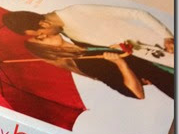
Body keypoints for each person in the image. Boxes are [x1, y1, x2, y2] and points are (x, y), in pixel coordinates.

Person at [2, 4, 174, 70]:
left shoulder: (76, 12)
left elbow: (136, 13)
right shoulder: (68, 34)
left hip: (161, 43)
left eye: (39, 34)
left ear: (44, 24)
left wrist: (166, 36)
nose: (42, 37)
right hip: (155, 59)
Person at [23, 31, 174, 99]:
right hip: (168, 78)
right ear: (48, 51)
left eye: (40, 34)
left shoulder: (82, 44)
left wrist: (122, 49)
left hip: (166, 63)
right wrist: (120, 63)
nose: (45, 34)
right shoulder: (85, 64)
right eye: (41, 39)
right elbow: (136, 93)